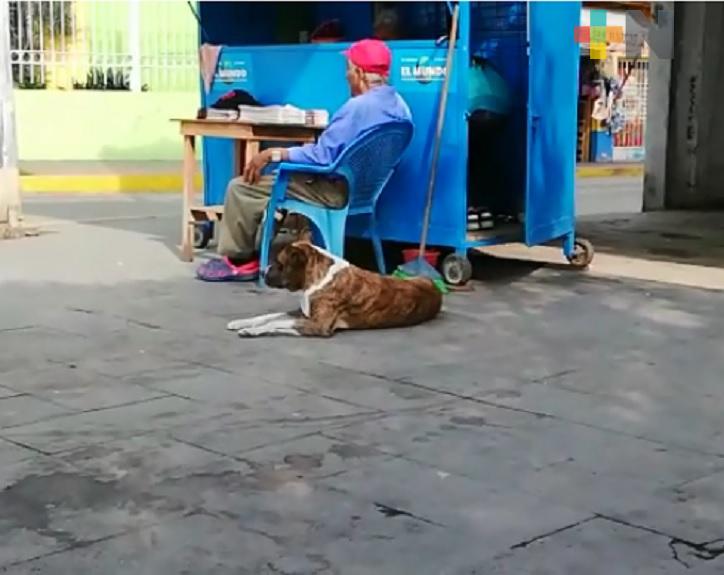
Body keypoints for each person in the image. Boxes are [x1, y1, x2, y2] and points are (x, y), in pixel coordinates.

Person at [197, 38, 412, 282]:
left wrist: (274, 154)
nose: (346, 76)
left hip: (331, 189)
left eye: (349, 70)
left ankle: (239, 261)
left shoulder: (357, 108)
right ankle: (263, 243)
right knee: (277, 181)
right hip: (363, 191)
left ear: (360, 73)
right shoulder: (400, 106)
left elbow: (322, 156)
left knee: (242, 187)